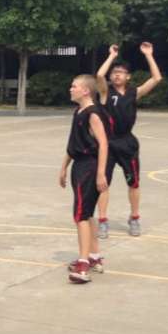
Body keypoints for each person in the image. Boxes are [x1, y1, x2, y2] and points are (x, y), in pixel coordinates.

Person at [94, 42, 163, 238]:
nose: (117, 75)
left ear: (128, 77)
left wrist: (149, 54)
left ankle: (134, 218)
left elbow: (157, 78)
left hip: (127, 143)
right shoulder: (106, 92)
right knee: (103, 183)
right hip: (107, 143)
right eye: (115, 72)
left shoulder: (134, 93)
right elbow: (99, 75)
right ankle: (103, 221)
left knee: (133, 183)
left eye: (121, 72)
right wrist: (111, 56)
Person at [60, 75, 110, 284]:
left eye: (74, 86)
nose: (70, 89)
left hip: (89, 167)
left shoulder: (93, 114)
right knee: (87, 212)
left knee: (80, 215)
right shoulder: (78, 112)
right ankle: (94, 255)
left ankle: (82, 265)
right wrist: (64, 167)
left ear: (86, 91)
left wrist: (100, 173)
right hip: (79, 165)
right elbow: (73, 144)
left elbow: (104, 144)